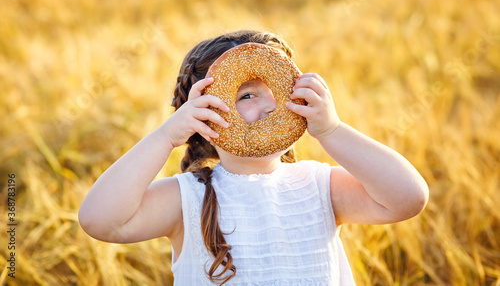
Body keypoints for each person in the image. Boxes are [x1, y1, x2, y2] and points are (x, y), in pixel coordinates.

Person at [78, 30, 429, 285]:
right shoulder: (188, 198)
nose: (271, 104)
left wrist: (332, 131)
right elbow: (99, 220)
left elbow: (409, 198)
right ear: (201, 116)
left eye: (278, 89)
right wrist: (166, 136)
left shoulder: (320, 185)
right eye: (247, 95)